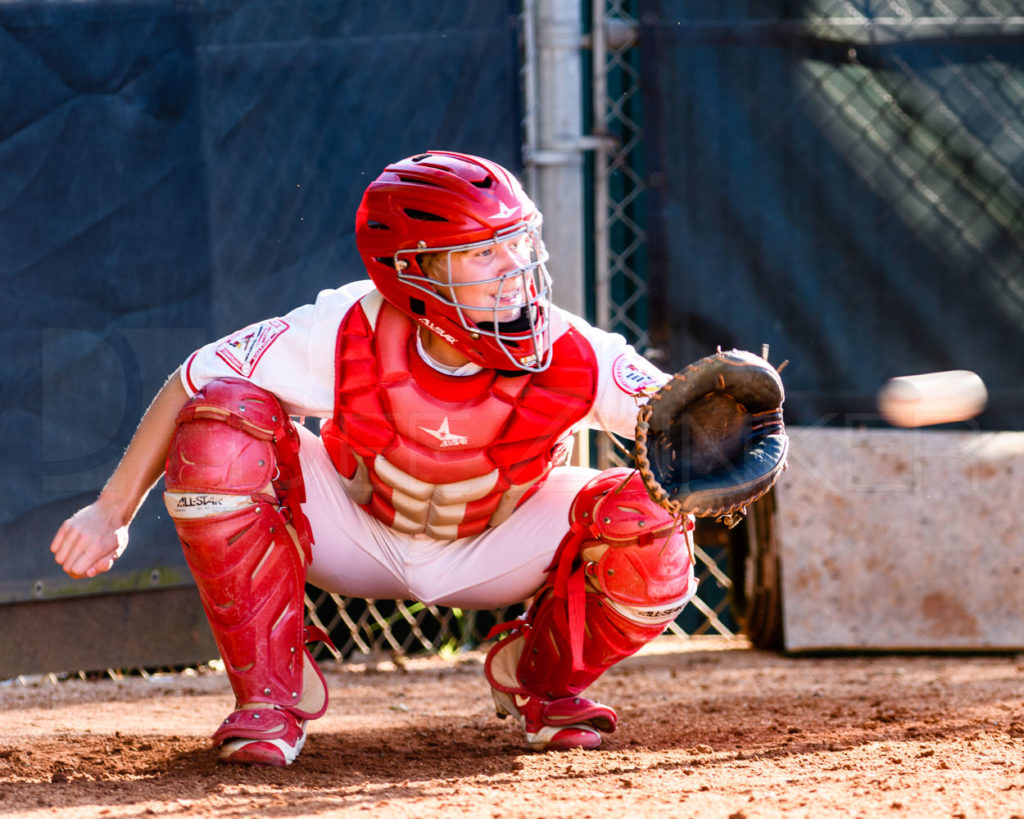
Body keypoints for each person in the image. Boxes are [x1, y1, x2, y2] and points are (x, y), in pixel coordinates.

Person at [49, 151, 697, 767]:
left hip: (500, 544)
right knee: (220, 422)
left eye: (519, 241)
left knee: (657, 518)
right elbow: (190, 381)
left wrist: (728, 435)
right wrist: (112, 511)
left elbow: (676, 416)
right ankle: (270, 696)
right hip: (354, 527)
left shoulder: (572, 347)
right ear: (414, 270)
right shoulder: (345, 325)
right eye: (482, 251)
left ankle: (543, 676)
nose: (514, 266)